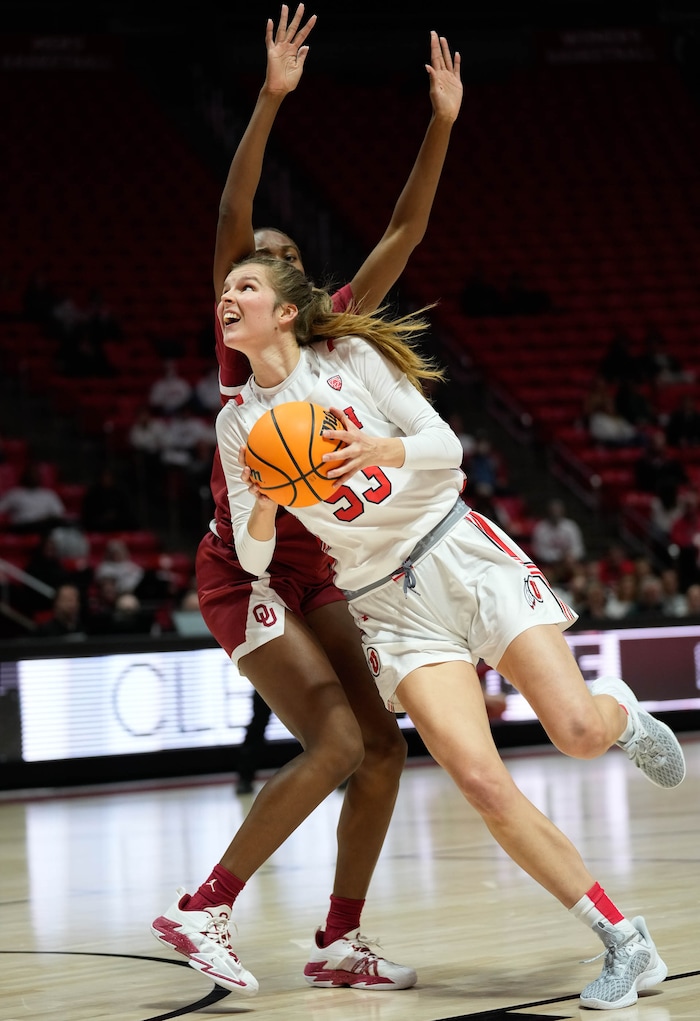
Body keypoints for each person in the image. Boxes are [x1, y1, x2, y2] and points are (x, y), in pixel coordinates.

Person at [215, 252, 686, 1011]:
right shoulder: (237, 423)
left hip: (456, 550)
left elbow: (447, 448)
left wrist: (382, 447)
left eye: (245, 286)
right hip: (386, 605)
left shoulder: (351, 359)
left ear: (288, 311)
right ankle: (625, 941)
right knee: (478, 779)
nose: (227, 298)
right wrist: (268, 503)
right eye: (225, 289)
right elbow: (251, 554)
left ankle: (619, 713)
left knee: (574, 731)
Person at [151, 5, 464, 997]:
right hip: (239, 568)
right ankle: (206, 904)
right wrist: (269, 98)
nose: (241, 281)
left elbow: (404, 231)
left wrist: (443, 121)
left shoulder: (334, 347)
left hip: (313, 568)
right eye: (236, 275)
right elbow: (228, 216)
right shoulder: (239, 366)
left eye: (264, 269)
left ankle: (338, 939)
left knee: (381, 749)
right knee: (334, 738)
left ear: (297, 297)